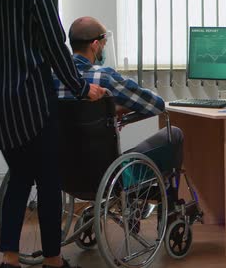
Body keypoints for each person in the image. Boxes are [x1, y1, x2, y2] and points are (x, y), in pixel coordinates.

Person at [0, 0, 106, 268]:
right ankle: (53, 261)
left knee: (18, 176)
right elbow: (56, 46)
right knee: (48, 181)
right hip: (33, 101)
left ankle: (9, 259)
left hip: (1, 104)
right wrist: (82, 88)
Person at [54, 16, 184, 194]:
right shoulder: (105, 77)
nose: (104, 49)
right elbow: (156, 104)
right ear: (95, 45)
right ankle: (168, 202)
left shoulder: (53, 78)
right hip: (107, 175)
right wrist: (124, 108)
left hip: (65, 174)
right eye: (104, 44)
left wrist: (110, 112)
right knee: (174, 133)